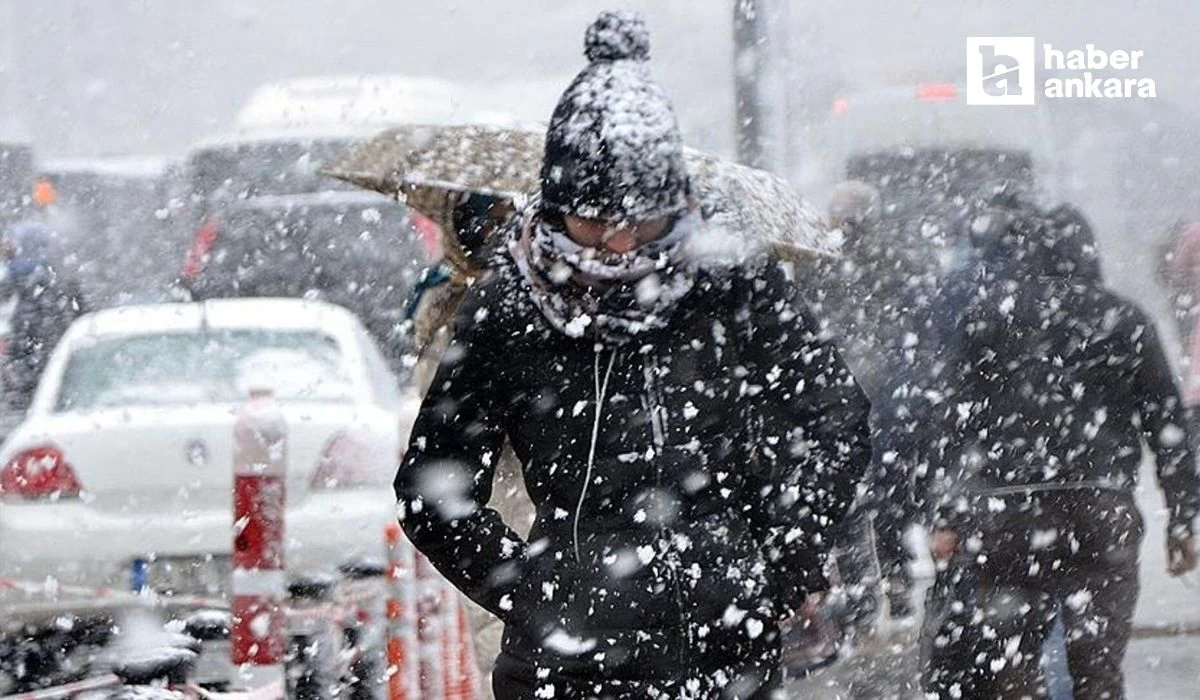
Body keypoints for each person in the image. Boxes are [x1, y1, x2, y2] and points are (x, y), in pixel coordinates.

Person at [394, 11, 872, 699]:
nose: (617, 247)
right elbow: (431, 490)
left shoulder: (730, 282)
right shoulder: (511, 307)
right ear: (555, 208)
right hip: (569, 668)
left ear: (676, 202)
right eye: (593, 222)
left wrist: (783, 556)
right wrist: (533, 593)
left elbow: (834, 416)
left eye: (640, 222)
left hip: (727, 651)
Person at [920, 202, 1200, 699]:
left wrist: (946, 514)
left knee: (1010, 666)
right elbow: (1165, 421)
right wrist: (1182, 516)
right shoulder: (1122, 317)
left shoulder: (985, 317)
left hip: (1006, 512)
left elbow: (949, 420)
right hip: (1099, 509)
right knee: (1097, 667)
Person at [811, 181, 917, 632]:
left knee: (850, 496)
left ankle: (860, 599)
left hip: (838, 391)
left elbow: (811, 318)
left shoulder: (819, 260)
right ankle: (897, 577)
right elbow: (911, 319)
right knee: (891, 490)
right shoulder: (895, 257)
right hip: (886, 391)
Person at [1, 222, 86, 412]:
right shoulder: (49, 277)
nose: (6, 248)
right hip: (47, 369)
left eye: (10, 242)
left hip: (30, 373)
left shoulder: (21, 278)